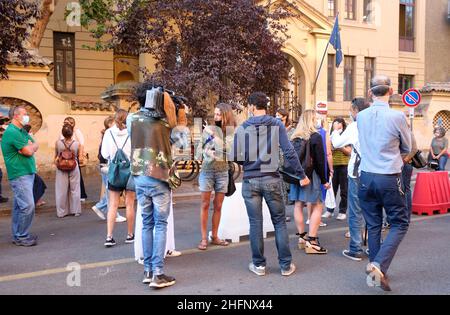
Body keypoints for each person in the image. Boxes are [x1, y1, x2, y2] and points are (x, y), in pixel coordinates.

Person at [233, 92, 310, 277]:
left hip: (250, 180)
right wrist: (301, 175)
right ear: (265, 106)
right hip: (272, 179)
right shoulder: (276, 124)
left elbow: (236, 156)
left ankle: (259, 265)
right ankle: (285, 265)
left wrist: (249, 165)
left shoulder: (243, 127)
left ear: (251, 107)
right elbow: (289, 152)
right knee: (279, 223)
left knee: (255, 224)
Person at [127, 83, 187, 289]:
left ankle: (148, 270)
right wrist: (180, 116)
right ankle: (158, 273)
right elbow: (182, 144)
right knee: (160, 224)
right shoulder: (165, 122)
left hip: (139, 176)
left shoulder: (131, 119)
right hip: (159, 176)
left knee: (147, 223)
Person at [358, 75, 412, 291]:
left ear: (370, 93)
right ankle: (378, 265)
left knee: (373, 225)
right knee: (400, 223)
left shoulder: (360, 116)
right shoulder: (397, 116)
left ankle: (376, 272)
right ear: (390, 92)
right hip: (388, 176)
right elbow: (408, 147)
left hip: (365, 176)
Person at [330, 98, 370, 261]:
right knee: (372, 210)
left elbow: (337, 142)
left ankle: (356, 248)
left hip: (357, 173)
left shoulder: (355, 126)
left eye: (351, 110)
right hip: (375, 171)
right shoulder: (375, 123)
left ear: (355, 111)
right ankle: (374, 247)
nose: (350, 113)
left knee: (355, 211)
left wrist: (336, 130)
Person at [289, 109, 331, 254]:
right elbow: (320, 161)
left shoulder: (295, 136)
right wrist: (325, 180)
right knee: (318, 205)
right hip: (311, 175)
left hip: (297, 176)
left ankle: (302, 238)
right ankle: (312, 241)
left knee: (298, 204)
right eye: (316, 118)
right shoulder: (315, 137)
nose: (318, 121)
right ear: (312, 120)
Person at [196, 103, 236, 250]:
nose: (216, 117)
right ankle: (203, 238)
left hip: (222, 172)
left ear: (226, 115)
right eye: (215, 114)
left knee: (218, 206)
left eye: (219, 114)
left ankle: (215, 235)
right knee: (205, 204)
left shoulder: (231, 132)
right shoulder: (209, 130)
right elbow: (197, 152)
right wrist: (208, 153)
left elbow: (228, 149)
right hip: (207, 170)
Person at [1, 106, 39, 246]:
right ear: (16, 116)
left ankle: (18, 235)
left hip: (26, 172)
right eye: (25, 114)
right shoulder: (12, 132)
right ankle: (22, 236)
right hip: (19, 174)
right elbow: (28, 151)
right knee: (28, 206)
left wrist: (31, 147)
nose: (27, 116)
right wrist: (29, 148)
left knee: (19, 207)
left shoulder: (21, 131)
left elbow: (34, 144)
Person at [101, 109, 136, 247]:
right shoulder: (131, 133)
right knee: (130, 204)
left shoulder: (109, 133)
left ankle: (109, 237)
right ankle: (129, 235)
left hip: (114, 171)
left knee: (113, 205)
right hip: (130, 172)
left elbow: (104, 154)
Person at [91, 115, 127, 222]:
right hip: (107, 165)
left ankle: (101, 207)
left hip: (106, 165)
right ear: (110, 124)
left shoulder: (107, 135)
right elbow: (104, 153)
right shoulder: (109, 135)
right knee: (110, 190)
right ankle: (111, 213)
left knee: (111, 189)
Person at [323, 118, 351, 221]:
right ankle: (329, 210)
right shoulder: (330, 136)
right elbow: (327, 149)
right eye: (335, 124)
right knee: (331, 189)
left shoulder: (346, 136)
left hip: (344, 165)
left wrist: (339, 146)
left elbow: (349, 152)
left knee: (344, 190)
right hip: (332, 165)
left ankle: (342, 211)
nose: (337, 126)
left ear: (342, 125)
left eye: (339, 124)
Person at [54, 125, 81, 217]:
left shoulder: (58, 143)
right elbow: (79, 156)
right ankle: (76, 210)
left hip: (61, 166)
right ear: (72, 133)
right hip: (74, 166)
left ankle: (61, 212)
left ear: (62, 133)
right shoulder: (77, 144)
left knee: (61, 189)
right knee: (75, 189)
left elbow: (56, 155)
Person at [276, 108, 295, 221]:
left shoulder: (291, 130)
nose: (276, 117)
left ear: (284, 117)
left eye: (278, 115)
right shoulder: (274, 129)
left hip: (287, 161)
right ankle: (282, 213)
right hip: (277, 160)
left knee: (286, 187)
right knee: (280, 187)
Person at [62, 117, 87, 201]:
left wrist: (80, 156)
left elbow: (81, 144)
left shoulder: (76, 132)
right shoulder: (62, 132)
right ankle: (70, 195)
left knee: (77, 176)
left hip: (74, 156)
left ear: (72, 124)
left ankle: (81, 195)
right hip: (65, 156)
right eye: (64, 122)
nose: (65, 123)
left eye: (67, 122)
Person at [23, 124, 46, 207]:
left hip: (30, 167)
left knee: (37, 183)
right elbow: (33, 149)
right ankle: (35, 201)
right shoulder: (26, 140)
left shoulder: (26, 139)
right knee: (38, 183)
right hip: (27, 168)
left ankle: (37, 200)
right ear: (29, 132)